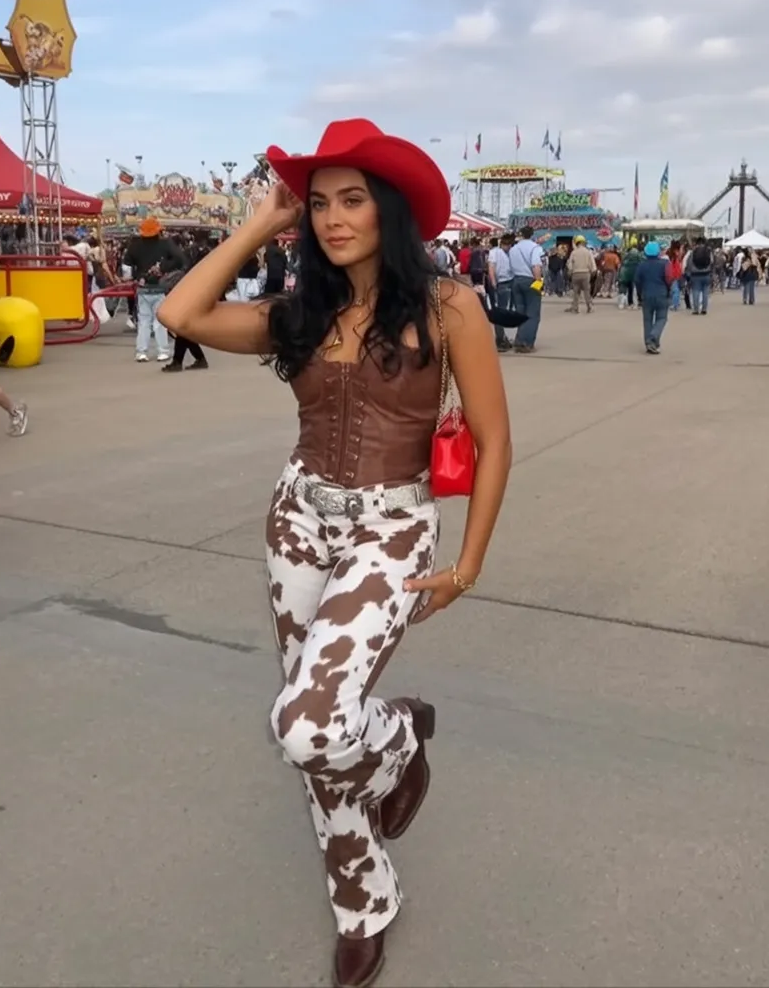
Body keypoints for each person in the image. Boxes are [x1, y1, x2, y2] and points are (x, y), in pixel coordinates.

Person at [157, 118, 511, 988]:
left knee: (310, 725)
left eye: (352, 200)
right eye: (318, 205)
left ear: (388, 208)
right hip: (297, 522)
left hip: (393, 528)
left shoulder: (448, 306)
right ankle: (363, 897)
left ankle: (398, 734)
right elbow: (179, 314)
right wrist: (258, 224)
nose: (332, 218)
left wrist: (468, 565)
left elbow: (496, 441)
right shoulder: (300, 312)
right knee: (314, 732)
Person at [124, 218, 185, 363]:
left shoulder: (134, 246)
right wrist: (164, 267)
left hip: (143, 288)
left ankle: (141, 352)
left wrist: (131, 278)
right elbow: (180, 259)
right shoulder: (165, 244)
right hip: (160, 287)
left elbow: (126, 267)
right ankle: (162, 351)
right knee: (159, 321)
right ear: (158, 230)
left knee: (144, 321)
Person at [508, 226, 544, 352]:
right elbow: (536, 266)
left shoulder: (513, 248)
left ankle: (519, 340)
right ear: (532, 234)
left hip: (516, 280)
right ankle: (526, 342)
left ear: (521, 235)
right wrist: (538, 283)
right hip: (530, 280)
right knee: (533, 313)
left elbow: (510, 266)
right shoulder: (535, 248)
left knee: (521, 312)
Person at [634, 241, 671, 353]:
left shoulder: (641, 265)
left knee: (647, 320)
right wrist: (668, 290)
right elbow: (669, 279)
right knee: (662, 318)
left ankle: (649, 343)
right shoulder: (665, 264)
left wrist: (640, 294)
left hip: (646, 294)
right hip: (661, 294)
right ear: (658, 252)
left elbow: (637, 281)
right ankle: (653, 337)